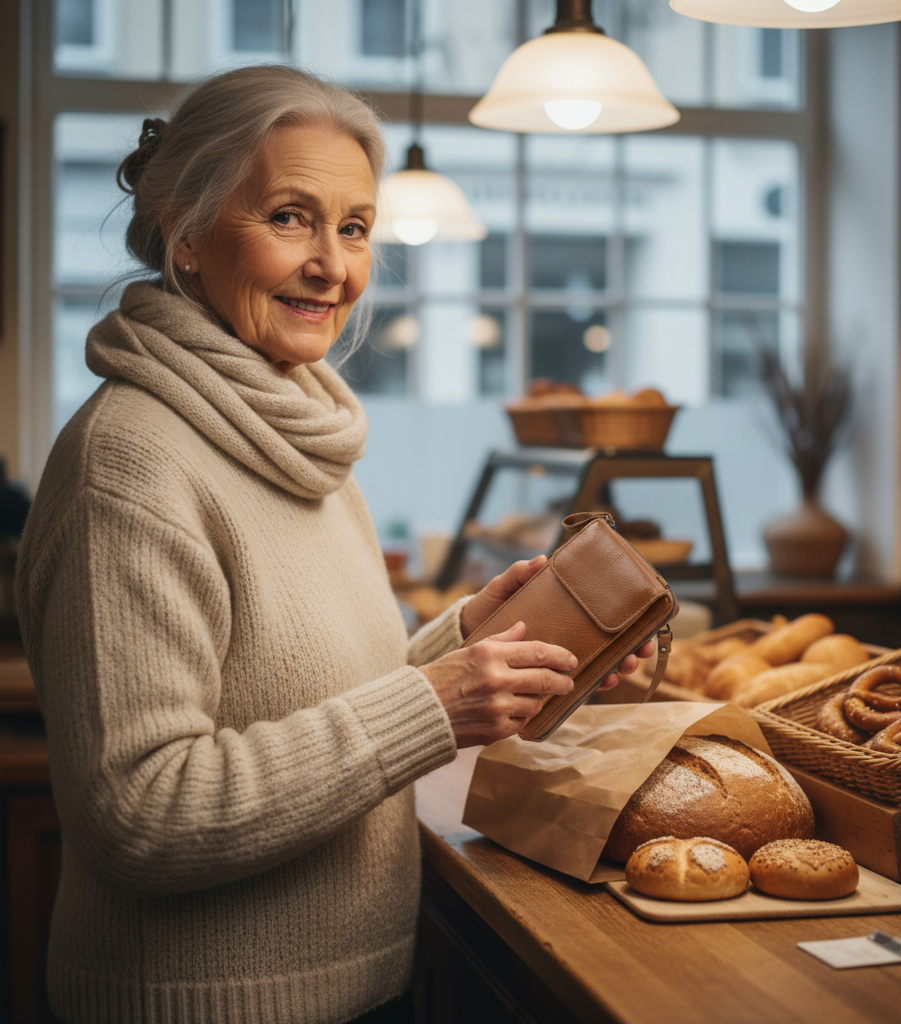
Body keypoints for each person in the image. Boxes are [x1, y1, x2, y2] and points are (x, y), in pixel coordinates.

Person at [15, 65, 652, 1024]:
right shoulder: (130, 464)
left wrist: (473, 648)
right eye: (289, 218)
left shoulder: (295, 426)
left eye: (354, 228)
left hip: (364, 986)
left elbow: (311, 699)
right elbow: (140, 815)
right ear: (185, 235)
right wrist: (434, 703)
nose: (333, 266)